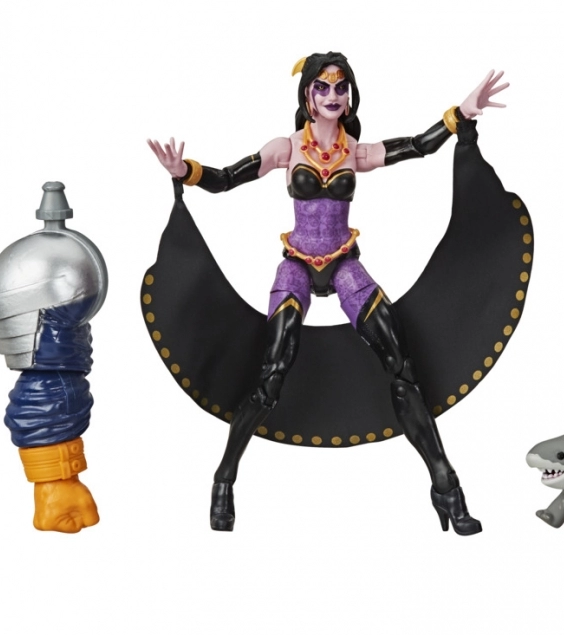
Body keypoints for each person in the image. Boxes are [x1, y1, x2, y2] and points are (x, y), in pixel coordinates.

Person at [148, 52, 513, 535]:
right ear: (307, 95)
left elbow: (416, 147)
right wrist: (186, 172)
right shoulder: (286, 148)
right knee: (272, 372)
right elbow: (229, 178)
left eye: (341, 87)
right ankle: (224, 480)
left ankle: (445, 486)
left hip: (343, 263)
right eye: (322, 86)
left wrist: (460, 113)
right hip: (298, 264)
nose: (333, 95)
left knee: (401, 366)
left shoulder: (354, 151)